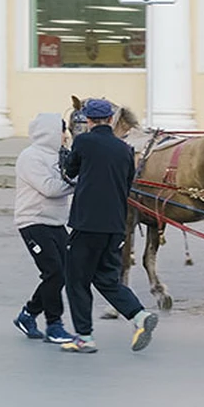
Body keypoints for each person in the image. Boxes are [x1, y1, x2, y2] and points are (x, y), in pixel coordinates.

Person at [61, 98, 159, 353]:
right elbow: (127, 185)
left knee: (76, 280)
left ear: (89, 121)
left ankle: (84, 336)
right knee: (107, 278)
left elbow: (70, 172)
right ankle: (139, 316)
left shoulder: (83, 142)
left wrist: (66, 155)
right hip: (115, 225)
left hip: (87, 224)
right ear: (110, 119)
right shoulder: (124, 149)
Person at [12, 113, 76, 344]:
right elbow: (49, 188)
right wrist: (78, 184)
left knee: (65, 272)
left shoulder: (61, 155)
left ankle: (28, 314)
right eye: (62, 131)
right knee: (54, 272)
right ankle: (54, 325)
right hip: (33, 221)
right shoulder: (30, 157)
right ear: (49, 132)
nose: (65, 135)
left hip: (56, 221)